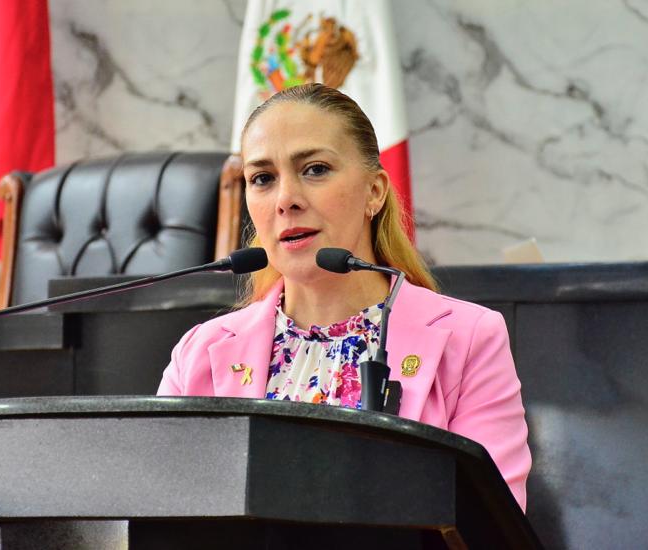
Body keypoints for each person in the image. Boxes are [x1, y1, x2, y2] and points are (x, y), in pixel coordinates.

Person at [157, 83, 531, 510]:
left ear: (374, 191)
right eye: (262, 178)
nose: (286, 200)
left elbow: (488, 525)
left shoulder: (471, 339)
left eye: (315, 169)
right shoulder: (199, 353)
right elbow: (160, 514)